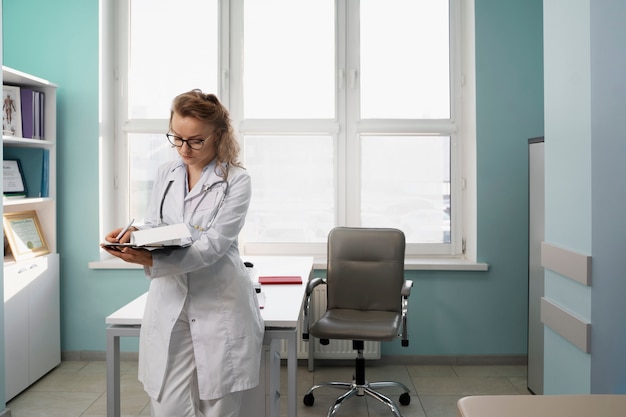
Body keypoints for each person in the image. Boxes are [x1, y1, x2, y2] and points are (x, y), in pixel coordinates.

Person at [102, 89, 264, 417]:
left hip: (218, 300)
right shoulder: (166, 172)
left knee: (217, 405)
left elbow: (214, 245)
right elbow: (159, 225)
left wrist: (154, 259)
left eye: (196, 141)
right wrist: (136, 236)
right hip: (170, 299)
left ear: (219, 135)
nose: (184, 149)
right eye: (177, 138)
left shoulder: (236, 181)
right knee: (168, 403)